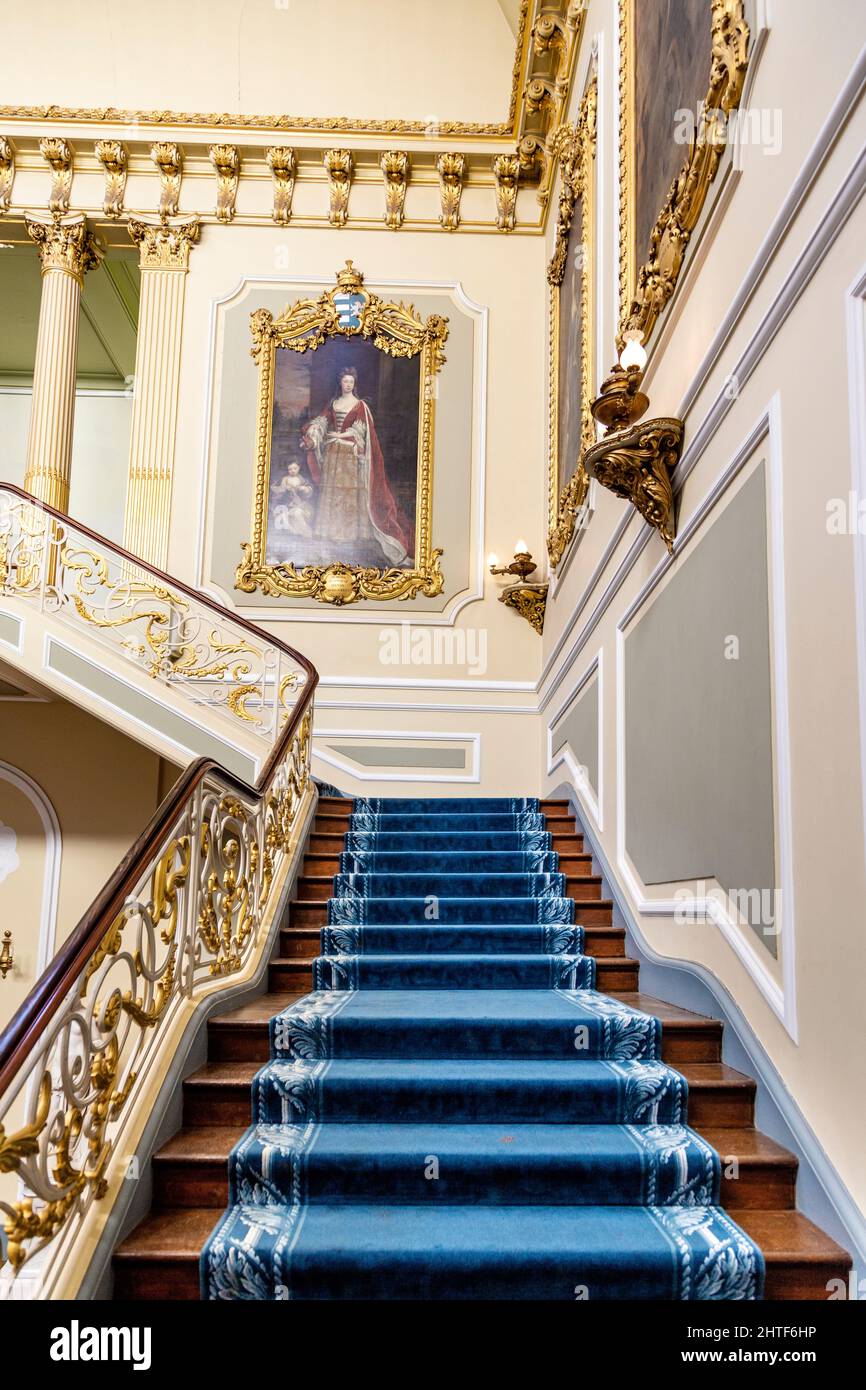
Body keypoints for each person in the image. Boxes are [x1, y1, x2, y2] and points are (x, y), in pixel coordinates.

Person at [300, 366, 413, 565]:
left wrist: (340, 435)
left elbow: (361, 431)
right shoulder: (334, 403)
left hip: (349, 454)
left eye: (351, 382)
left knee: (348, 493)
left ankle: (350, 534)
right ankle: (331, 532)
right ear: (340, 383)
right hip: (333, 454)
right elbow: (321, 422)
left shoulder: (360, 405)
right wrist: (312, 433)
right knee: (333, 492)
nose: (348, 384)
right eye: (345, 381)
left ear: (354, 384)